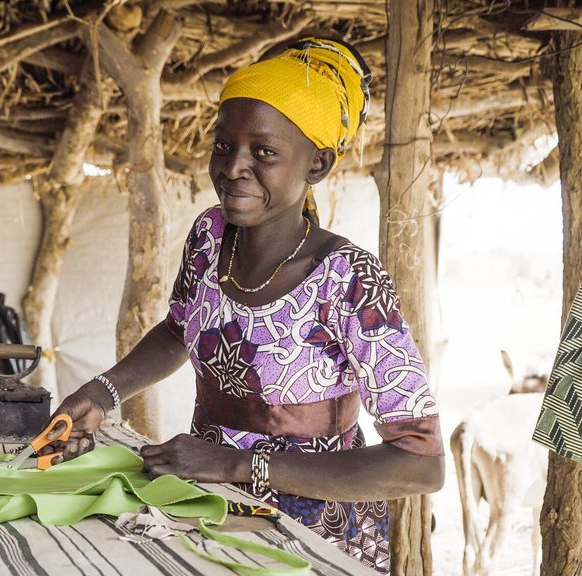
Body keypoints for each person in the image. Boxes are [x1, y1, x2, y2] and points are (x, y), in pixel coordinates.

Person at [44, 38, 444, 573]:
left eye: (265, 152)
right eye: (223, 146)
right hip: (202, 507)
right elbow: (181, 328)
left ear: (318, 164)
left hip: (310, 532)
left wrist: (236, 463)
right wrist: (103, 390)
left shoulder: (349, 279)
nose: (234, 168)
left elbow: (422, 465)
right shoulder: (211, 236)